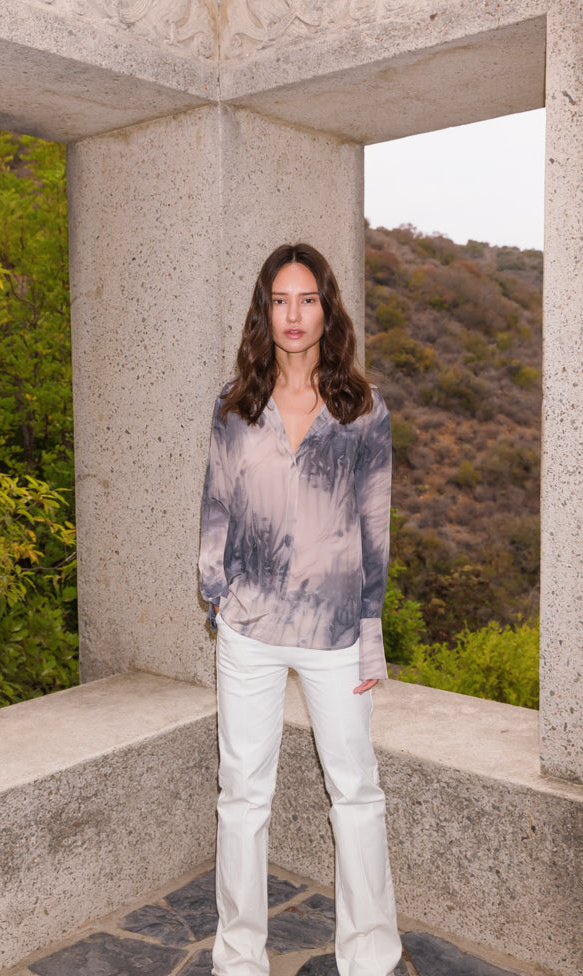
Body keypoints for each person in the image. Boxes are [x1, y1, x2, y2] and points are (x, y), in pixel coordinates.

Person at [199, 243, 402, 976]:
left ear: (327, 308)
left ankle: (370, 958)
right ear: (265, 311)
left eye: (307, 299)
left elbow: (376, 530)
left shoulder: (362, 409)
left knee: (355, 791)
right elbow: (216, 505)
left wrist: (370, 632)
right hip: (249, 629)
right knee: (242, 795)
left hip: (333, 631)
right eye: (280, 301)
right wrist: (216, 596)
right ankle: (238, 959)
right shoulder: (235, 404)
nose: (293, 315)